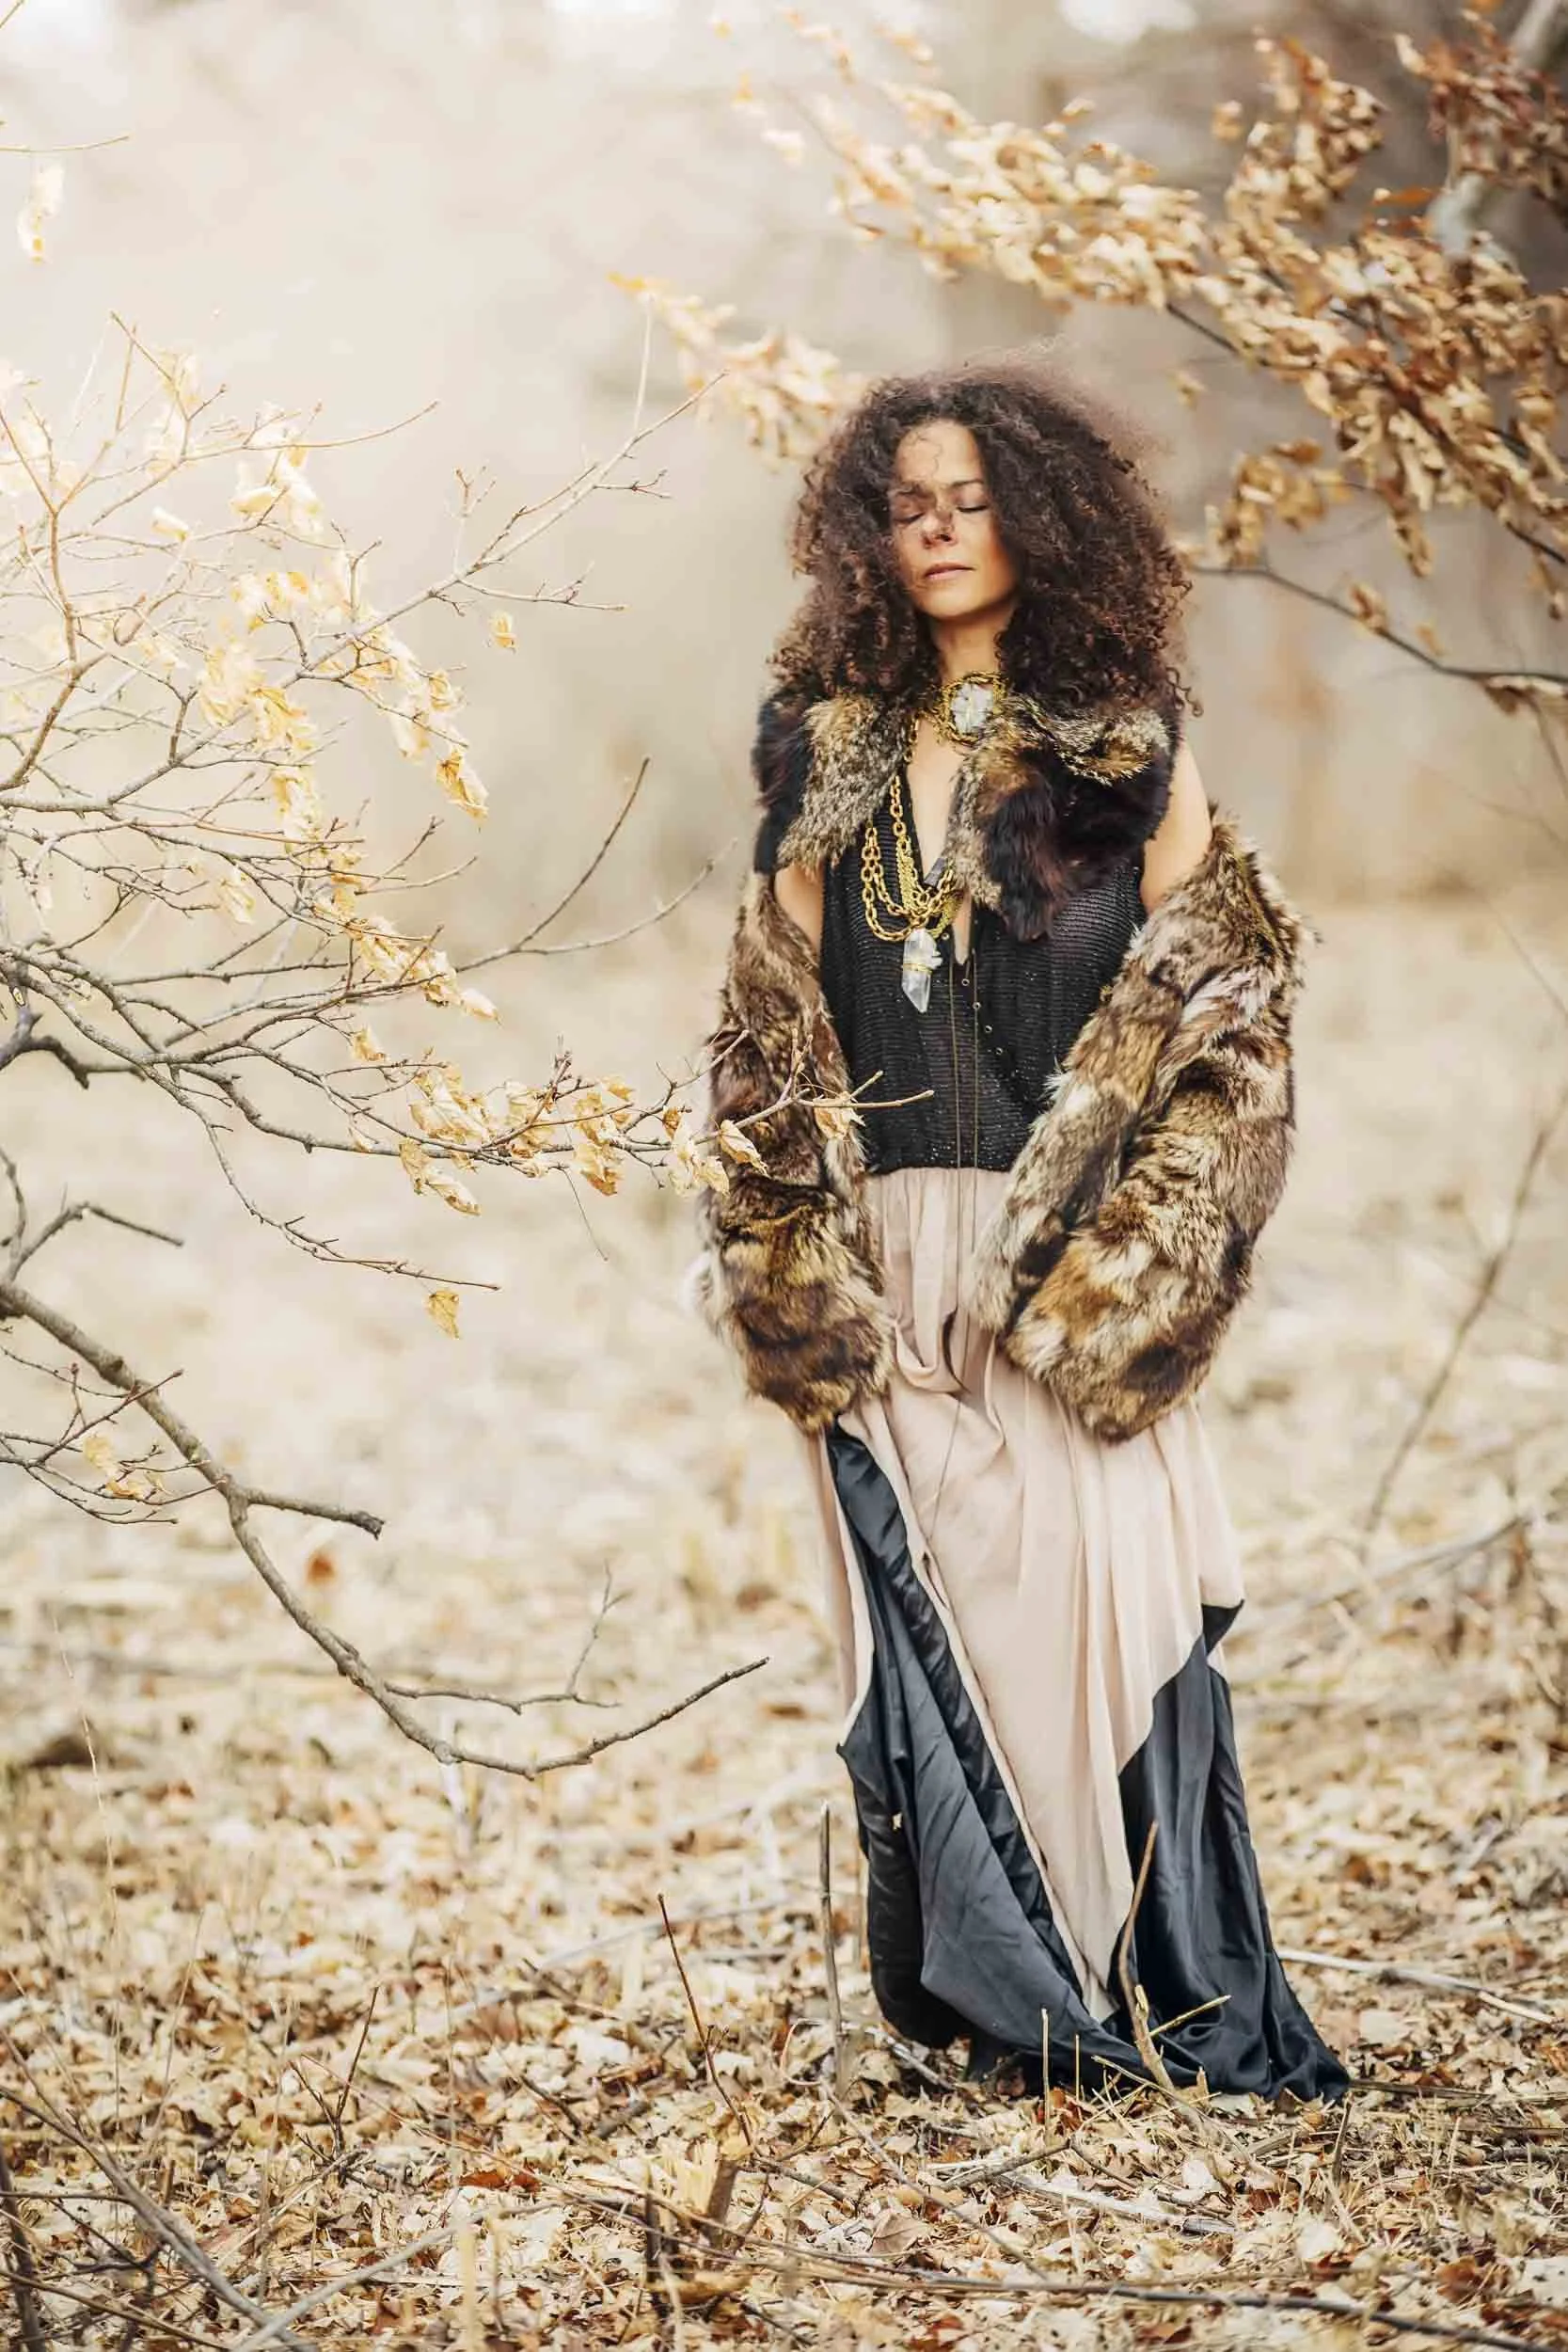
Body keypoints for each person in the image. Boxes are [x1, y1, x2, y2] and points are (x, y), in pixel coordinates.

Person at [691, 356, 1349, 2106]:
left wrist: (1102, 1281)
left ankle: (1147, 1992)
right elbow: (765, 1033)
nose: (938, 528)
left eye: (972, 495)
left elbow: (1231, 1036)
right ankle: (1013, 2011)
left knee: (1092, 1607)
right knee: (946, 1632)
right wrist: (807, 1284)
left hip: (1063, 1270)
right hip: (882, 1262)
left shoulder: (1124, 748)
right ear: (862, 535)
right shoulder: (818, 753)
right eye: (906, 502)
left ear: (1042, 514)